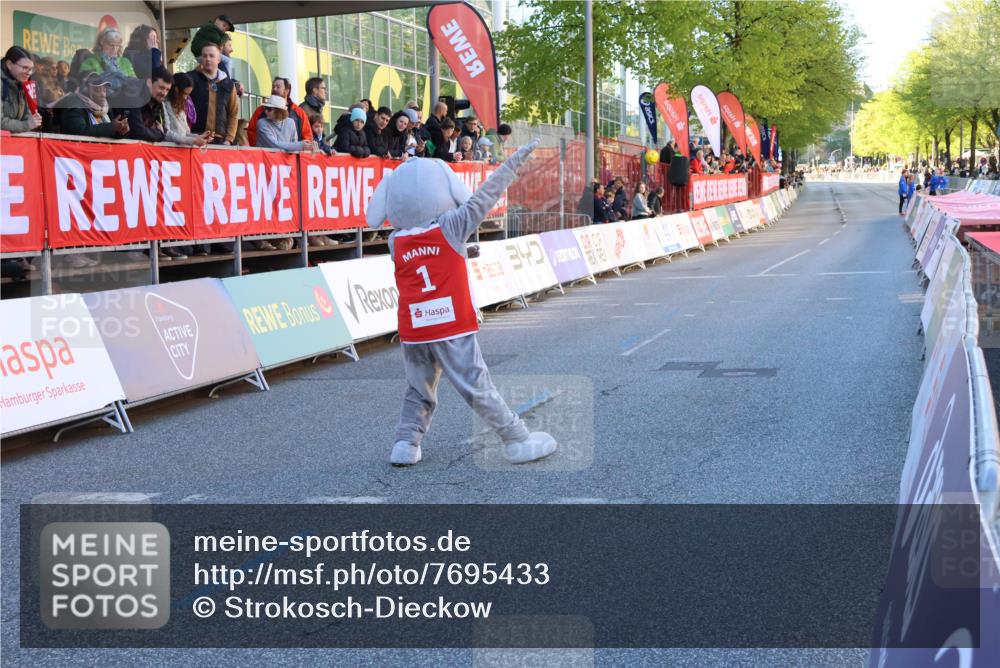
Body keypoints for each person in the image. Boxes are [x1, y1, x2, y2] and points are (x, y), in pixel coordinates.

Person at [363, 139, 556, 466]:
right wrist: (512, 164)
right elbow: (484, 197)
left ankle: (406, 444)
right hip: (449, 322)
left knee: (418, 389)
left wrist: (462, 253)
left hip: (414, 328)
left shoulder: (396, 241)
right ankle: (516, 438)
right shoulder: (452, 227)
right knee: (477, 385)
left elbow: (425, 259)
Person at [187, 27, 239, 145]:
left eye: (211, 56)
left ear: (219, 59)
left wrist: (229, 140)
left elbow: (233, 113)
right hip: (194, 138)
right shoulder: (190, 78)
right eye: (204, 56)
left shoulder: (228, 84)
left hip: (220, 142)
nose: (207, 59)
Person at [59, 72, 130, 139]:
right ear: (85, 90)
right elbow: (79, 132)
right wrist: (110, 127)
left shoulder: (106, 108)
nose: (103, 94)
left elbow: (111, 134)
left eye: (104, 90)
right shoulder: (74, 106)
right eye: (97, 91)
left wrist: (120, 131)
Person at [246, 77, 312, 145]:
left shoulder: (299, 113)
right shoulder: (260, 110)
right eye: (273, 86)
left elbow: (307, 137)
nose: (274, 89)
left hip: (291, 155)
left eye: (278, 87)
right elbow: (251, 132)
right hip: (265, 154)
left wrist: (299, 152)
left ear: (287, 91)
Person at [163, 72, 213, 146]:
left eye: (188, 94)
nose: (186, 98)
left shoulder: (180, 105)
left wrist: (200, 137)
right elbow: (166, 133)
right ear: (176, 90)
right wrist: (192, 140)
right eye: (185, 94)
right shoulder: (164, 104)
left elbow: (185, 132)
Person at [2, 47, 42, 132]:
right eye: (24, 67)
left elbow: (27, 118)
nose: (29, 73)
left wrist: (33, 119)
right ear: (9, 64)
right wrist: (27, 125)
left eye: (31, 69)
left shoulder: (24, 83)